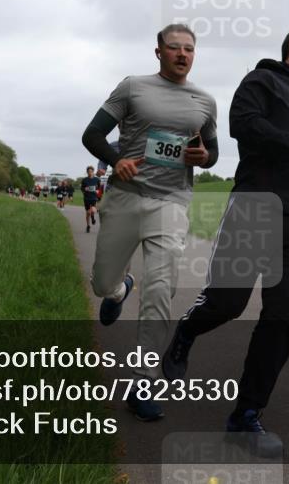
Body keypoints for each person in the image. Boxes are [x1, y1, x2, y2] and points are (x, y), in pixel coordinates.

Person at [162, 23, 289, 456]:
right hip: (256, 207)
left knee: (284, 312)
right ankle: (186, 333)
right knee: (228, 303)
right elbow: (245, 129)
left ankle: (246, 414)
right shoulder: (260, 80)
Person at [81, 23, 219, 421]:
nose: (182, 54)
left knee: (160, 290)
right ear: (158, 52)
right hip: (126, 197)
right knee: (101, 282)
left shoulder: (205, 102)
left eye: (189, 49)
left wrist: (202, 158)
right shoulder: (133, 88)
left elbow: (211, 152)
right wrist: (115, 160)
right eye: (174, 48)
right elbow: (93, 134)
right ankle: (118, 290)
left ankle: (143, 380)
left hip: (171, 202)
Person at [81, 166, 101, 233]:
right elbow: (82, 188)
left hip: (94, 197)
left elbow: (99, 188)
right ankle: (88, 226)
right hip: (86, 197)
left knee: (93, 210)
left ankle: (92, 217)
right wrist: (84, 189)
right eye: (88, 171)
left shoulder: (97, 179)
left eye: (91, 171)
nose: (90, 173)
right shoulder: (84, 180)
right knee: (87, 212)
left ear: (93, 172)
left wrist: (98, 192)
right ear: (87, 172)